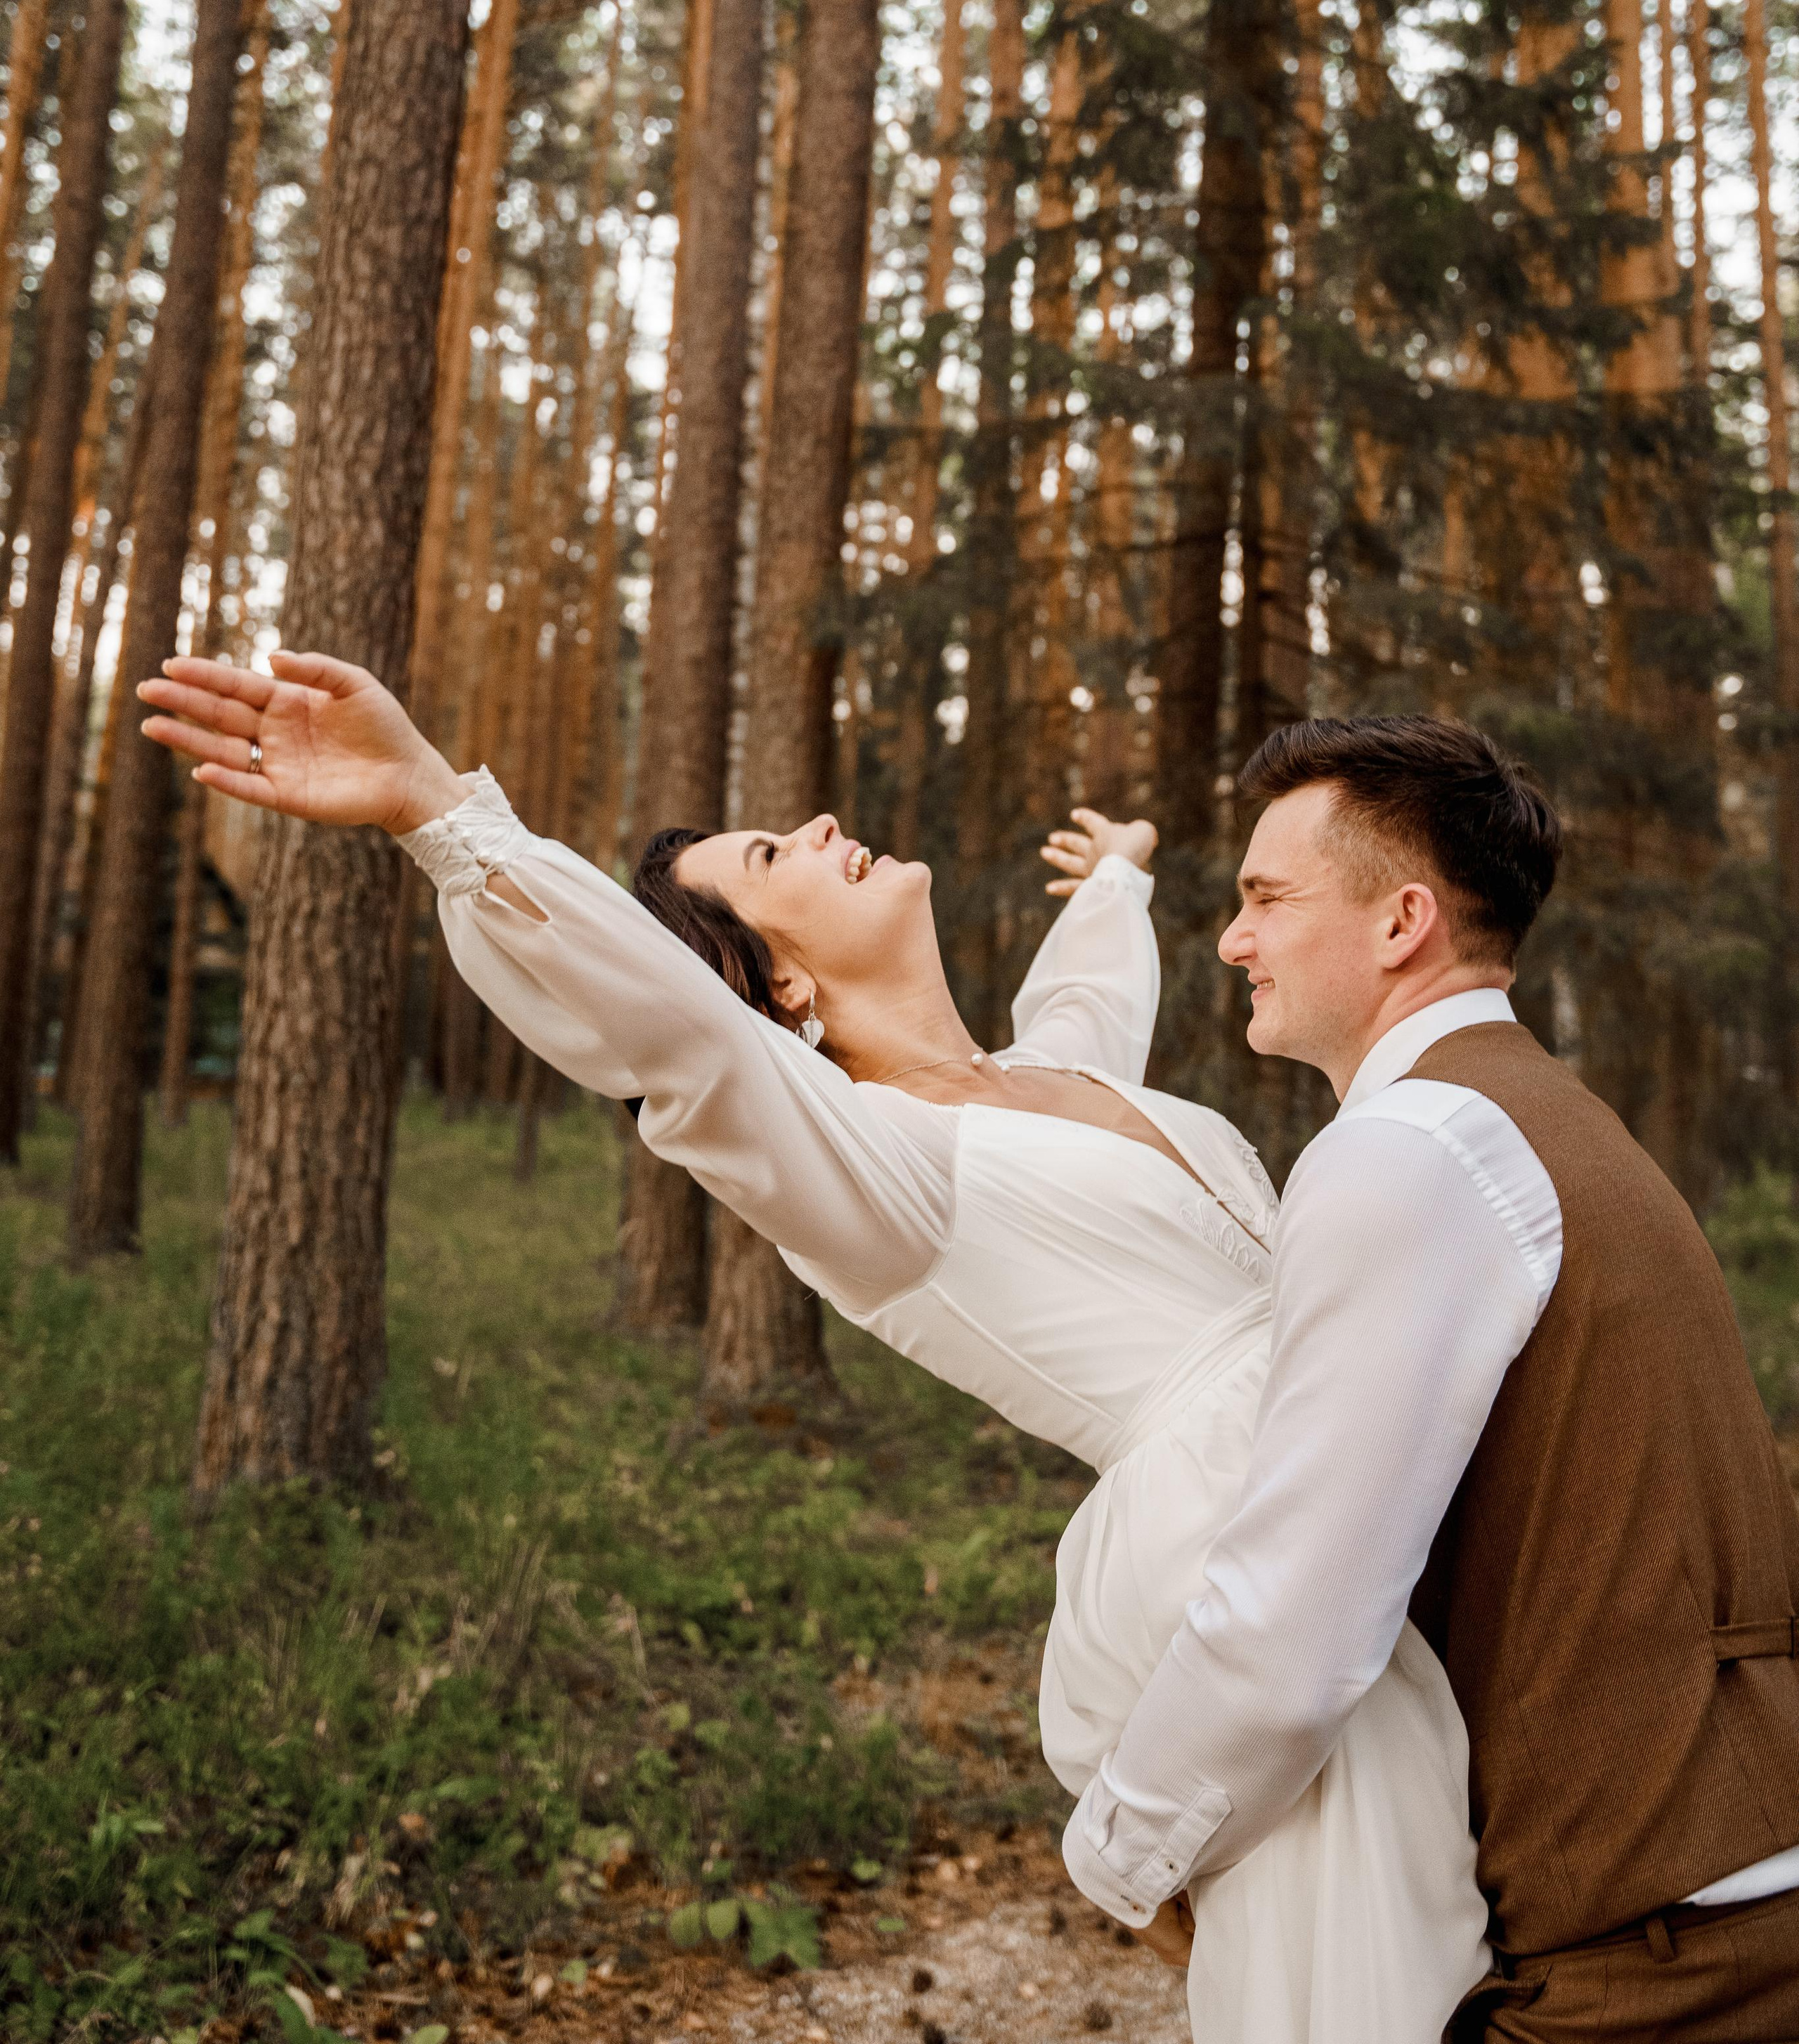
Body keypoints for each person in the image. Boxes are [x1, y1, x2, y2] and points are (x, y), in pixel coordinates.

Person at [137, 648, 1489, 2044]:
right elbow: (683, 1050)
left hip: (1356, 1452)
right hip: (1233, 1547)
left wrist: (1117, 879)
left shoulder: (1055, 1077)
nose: (828, 828)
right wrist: (440, 813)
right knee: (1379, 1960)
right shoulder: (876, 1176)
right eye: (776, 852)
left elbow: (1087, 998)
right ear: (776, 984)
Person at [1061, 712, 1799, 2043]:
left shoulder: (1408, 1150)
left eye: (1267, 899)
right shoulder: (1542, 1116)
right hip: (1723, 1888)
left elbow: (1292, 1622)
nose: (1233, 941)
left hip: (1657, 1960)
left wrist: (1118, 1848)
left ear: (1402, 922)